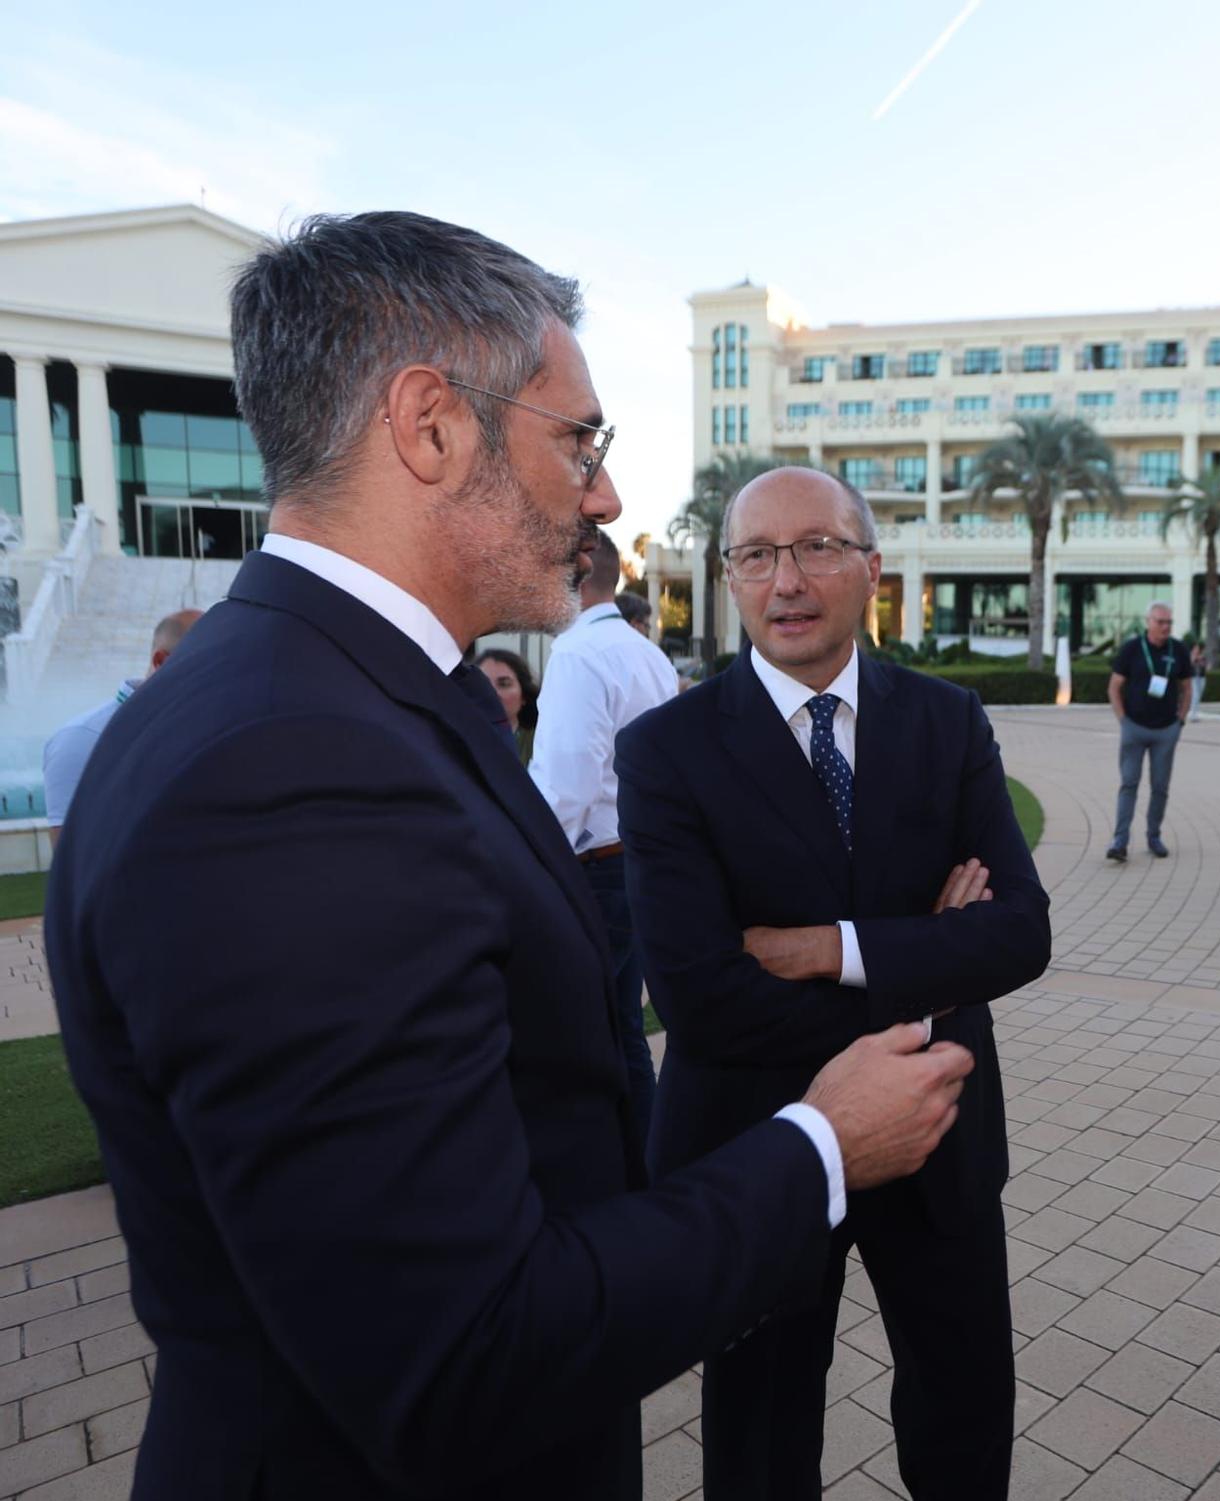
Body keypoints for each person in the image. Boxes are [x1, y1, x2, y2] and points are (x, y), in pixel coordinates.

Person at [44, 211, 974, 1501]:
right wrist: (823, 1143)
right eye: (579, 440)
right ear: (431, 424)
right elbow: (463, 1350)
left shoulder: (350, 691)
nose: (602, 497)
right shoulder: (291, 769)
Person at [617, 466, 1050, 1501]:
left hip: (937, 1129)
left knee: (962, 1410)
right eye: (756, 555)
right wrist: (926, 950)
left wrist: (831, 946)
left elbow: (1020, 932)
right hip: (760, 1143)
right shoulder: (665, 750)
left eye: (815, 547)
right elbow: (700, 999)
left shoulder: (946, 723)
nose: (786, 580)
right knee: (759, 1437)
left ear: (869, 568)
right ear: (729, 579)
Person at [529, 526, 681, 1140]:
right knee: (622, 1029)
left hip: (596, 871)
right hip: (638, 864)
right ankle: (646, 1162)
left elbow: (564, 789)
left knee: (579, 1033)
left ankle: (614, 1171)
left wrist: (526, 873)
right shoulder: (647, 652)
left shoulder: (577, 654)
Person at [41, 608, 202, 845]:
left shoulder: (212, 730)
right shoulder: (80, 740)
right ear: (162, 661)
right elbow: (72, 865)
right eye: (209, 661)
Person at [1106, 601, 1193, 859]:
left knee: (1160, 787)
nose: (1165, 627)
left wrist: (1180, 720)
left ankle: (1154, 837)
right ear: (1149, 622)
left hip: (1166, 731)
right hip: (1134, 728)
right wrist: (1123, 720)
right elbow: (1114, 686)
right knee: (1129, 784)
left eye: (1169, 622)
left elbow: (1187, 688)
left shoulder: (1178, 650)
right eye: (1160, 622)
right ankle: (1119, 842)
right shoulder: (1132, 649)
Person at [475, 645, 539, 764]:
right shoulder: (455, 742)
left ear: (524, 695)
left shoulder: (541, 743)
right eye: (483, 683)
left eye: (504, 684)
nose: (492, 693)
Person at [1189, 638, 1209, 721]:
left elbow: (1206, 666)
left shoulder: (1202, 656)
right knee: (1195, 695)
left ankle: (1195, 712)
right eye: (1195, 648)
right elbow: (1189, 664)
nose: (1196, 650)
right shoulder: (1189, 655)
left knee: (1198, 696)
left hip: (1201, 677)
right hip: (1193, 678)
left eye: (1198, 648)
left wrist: (1202, 661)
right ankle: (1192, 714)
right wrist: (1195, 658)